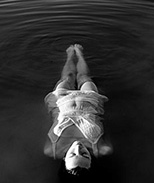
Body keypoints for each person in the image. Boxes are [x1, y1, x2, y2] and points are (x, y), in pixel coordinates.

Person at [44, 44, 112, 177]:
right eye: (85, 155)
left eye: (72, 154)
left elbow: (51, 118)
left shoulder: (51, 149)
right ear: (92, 160)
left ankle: (70, 55)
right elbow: (104, 121)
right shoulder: (102, 149)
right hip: (89, 101)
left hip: (62, 101)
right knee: (83, 77)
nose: (78, 147)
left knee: (67, 77)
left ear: (64, 160)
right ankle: (80, 54)